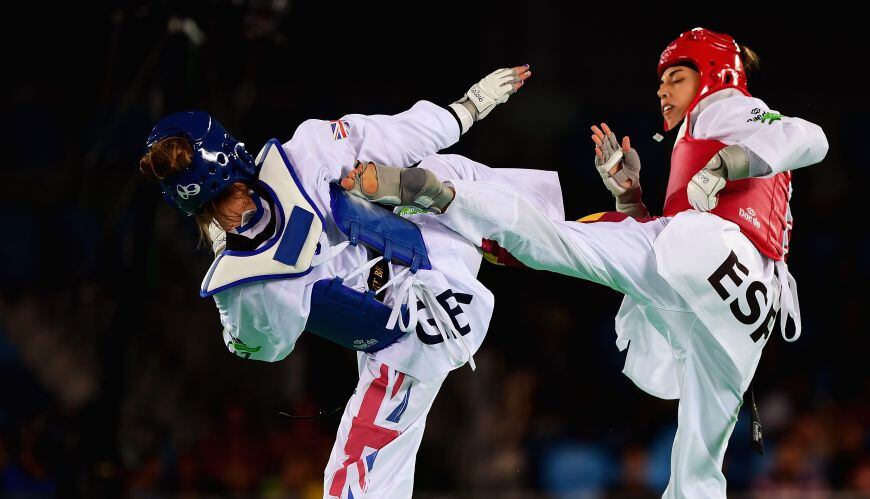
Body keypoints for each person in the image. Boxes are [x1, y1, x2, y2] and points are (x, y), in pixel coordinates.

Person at [349, 28, 828, 497]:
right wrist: (631, 200)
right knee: (698, 466)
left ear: (715, 75)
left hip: (720, 255)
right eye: (661, 82)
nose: (662, 89)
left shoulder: (728, 106)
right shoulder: (703, 131)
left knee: (565, 240)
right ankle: (460, 207)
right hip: (747, 307)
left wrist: (727, 165)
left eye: (676, 77)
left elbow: (811, 137)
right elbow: (661, 248)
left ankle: (440, 193)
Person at [137, 65, 565, 498]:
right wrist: (470, 106)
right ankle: (578, 230)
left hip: (415, 340)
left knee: (349, 486)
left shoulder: (244, 285)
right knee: (440, 172)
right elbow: (402, 136)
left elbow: (266, 348)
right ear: (234, 150)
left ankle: (562, 235)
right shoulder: (308, 151)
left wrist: (223, 253)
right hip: (444, 243)